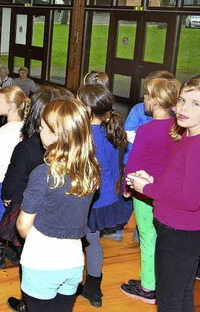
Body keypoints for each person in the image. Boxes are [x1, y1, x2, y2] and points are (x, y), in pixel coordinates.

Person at [16, 99, 100, 312]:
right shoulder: (89, 172)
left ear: (57, 136)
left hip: (41, 264)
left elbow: (23, 226)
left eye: (42, 127)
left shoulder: (43, 174)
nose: (39, 131)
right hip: (73, 261)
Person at [125, 76, 200, 312]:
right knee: (181, 294)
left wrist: (147, 188)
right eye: (182, 100)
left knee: (169, 299)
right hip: (177, 229)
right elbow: (180, 183)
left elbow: (189, 200)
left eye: (195, 103)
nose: (183, 108)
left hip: (180, 233)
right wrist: (153, 180)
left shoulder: (196, 145)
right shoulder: (186, 137)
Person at [0, 88, 68, 312]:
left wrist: (8, 199)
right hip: (57, 214)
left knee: (28, 259)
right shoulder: (69, 151)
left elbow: (9, 184)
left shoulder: (25, 148)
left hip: (26, 211)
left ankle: (28, 302)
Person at [119, 77, 180, 305]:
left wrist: (127, 186)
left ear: (155, 101)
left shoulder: (146, 130)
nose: (144, 98)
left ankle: (148, 287)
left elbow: (133, 163)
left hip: (144, 193)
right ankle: (162, 282)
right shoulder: (179, 129)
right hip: (166, 193)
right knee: (164, 238)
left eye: (147, 95)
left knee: (147, 238)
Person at [76, 84, 128, 308]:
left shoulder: (86, 136)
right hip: (104, 198)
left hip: (86, 199)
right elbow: (114, 170)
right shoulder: (110, 132)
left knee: (75, 242)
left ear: (86, 109)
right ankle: (94, 289)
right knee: (93, 242)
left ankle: (75, 283)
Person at [0, 86, 28, 269]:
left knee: (0, 217)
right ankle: (13, 250)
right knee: (14, 216)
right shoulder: (26, 128)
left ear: (10, 106)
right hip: (20, 183)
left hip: (2, 181)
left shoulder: (4, 130)